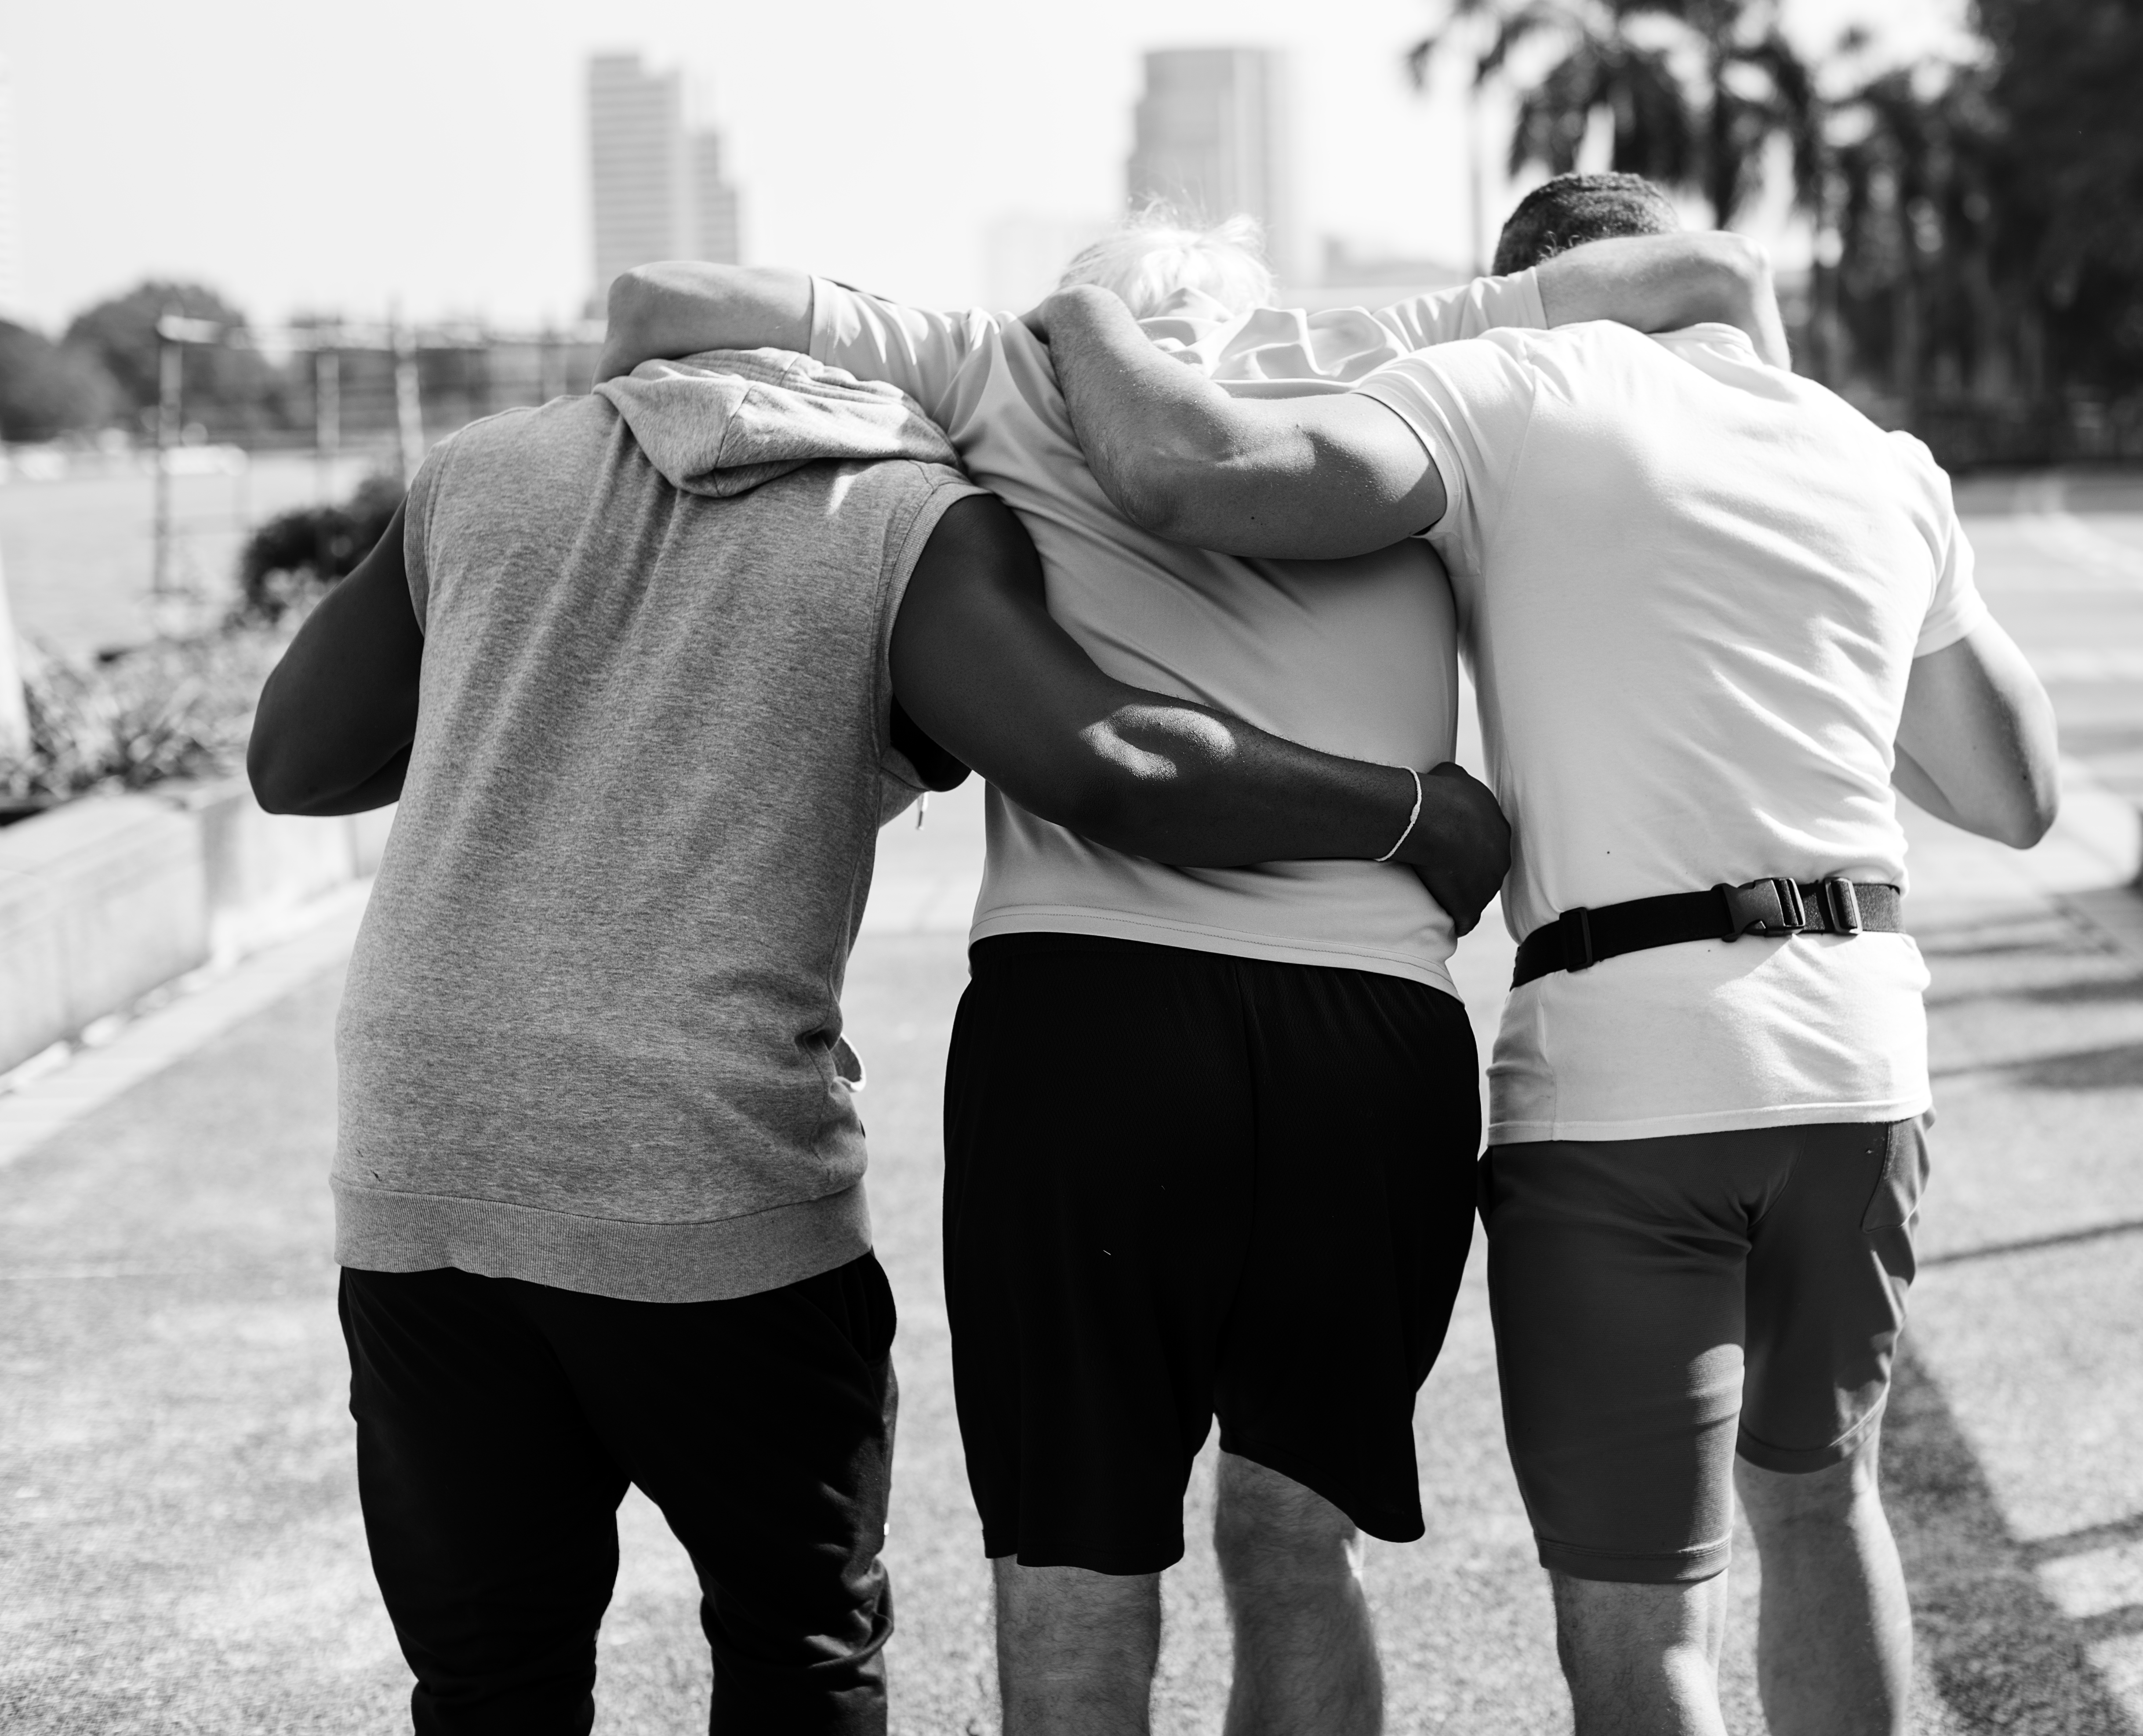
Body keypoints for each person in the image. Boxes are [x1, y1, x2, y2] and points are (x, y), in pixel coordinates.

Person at [597, 213, 1789, 1736]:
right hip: (1372, 1037)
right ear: (1250, 307)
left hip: (1084, 1028)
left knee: (1071, 1564)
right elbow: (1707, 273)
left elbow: (658, 299)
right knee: (1297, 1544)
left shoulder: (993, 363)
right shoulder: (1390, 351)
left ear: (1084, 315)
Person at [246, 345, 1512, 1736]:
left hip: (422, 1150)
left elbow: (292, 762)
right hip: (701, 1153)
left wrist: (533, 717)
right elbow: (1101, 761)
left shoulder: (486, 468)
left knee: (490, 1680)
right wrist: (1414, 811)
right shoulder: (902, 510)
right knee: (797, 1649)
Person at [1026, 172, 2061, 1736]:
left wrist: (1077, 318)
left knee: (1644, 1617)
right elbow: (2013, 794)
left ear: (1535, 289)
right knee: (1823, 1499)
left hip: (1626, 1073)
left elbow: (1198, 470)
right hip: (1859, 1056)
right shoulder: (1869, 453)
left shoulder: (1510, 383)